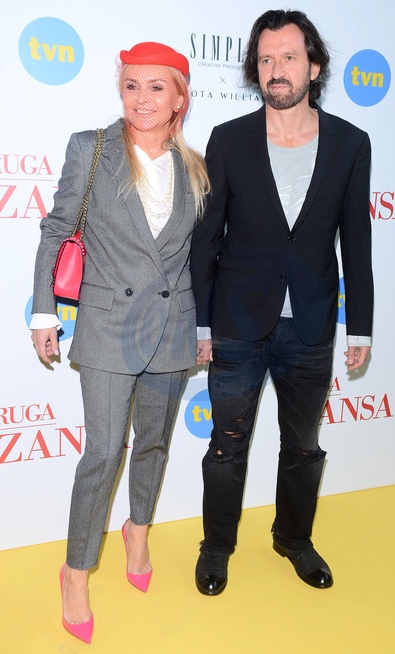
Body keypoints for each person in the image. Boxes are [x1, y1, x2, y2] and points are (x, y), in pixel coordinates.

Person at [190, 9, 373, 596]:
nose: (277, 69)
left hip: (312, 326)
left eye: (289, 57)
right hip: (236, 323)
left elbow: (357, 240)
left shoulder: (351, 143)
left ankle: (293, 538)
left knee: (302, 447)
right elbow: (206, 240)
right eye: (266, 59)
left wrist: (361, 327)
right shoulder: (228, 140)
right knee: (226, 448)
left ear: (313, 67)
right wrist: (200, 323)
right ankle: (217, 546)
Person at [31, 42, 209, 643]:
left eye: (157, 87)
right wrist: (43, 310)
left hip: (173, 325)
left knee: (153, 443)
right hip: (108, 323)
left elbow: (196, 258)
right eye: (132, 85)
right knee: (104, 452)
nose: (142, 98)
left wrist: (202, 327)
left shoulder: (195, 166)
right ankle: (76, 572)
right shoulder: (93, 148)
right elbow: (57, 228)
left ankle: (138, 530)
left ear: (180, 98)